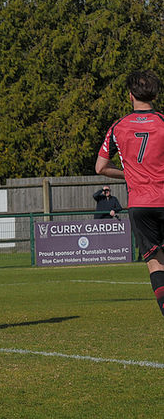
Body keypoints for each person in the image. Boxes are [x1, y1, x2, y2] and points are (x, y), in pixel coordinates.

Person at [95, 70, 164, 319]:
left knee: (155, 262)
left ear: (130, 95)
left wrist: (131, 175)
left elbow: (100, 167)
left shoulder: (118, 127)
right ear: (154, 94)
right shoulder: (163, 122)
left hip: (139, 203)